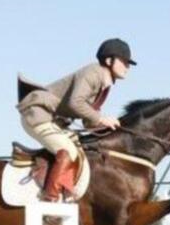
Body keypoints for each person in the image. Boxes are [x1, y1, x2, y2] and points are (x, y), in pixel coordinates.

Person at [16, 38, 136, 201]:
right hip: (38, 113)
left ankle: (63, 190)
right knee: (69, 151)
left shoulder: (103, 84)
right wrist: (101, 119)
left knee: (80, 148)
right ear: (109, 60)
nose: (127, 67)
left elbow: (87, 120)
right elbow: (75, 102)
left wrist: (111, 128)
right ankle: (49, 199)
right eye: (124, 61)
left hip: (50, 118)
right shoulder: (93, 73)